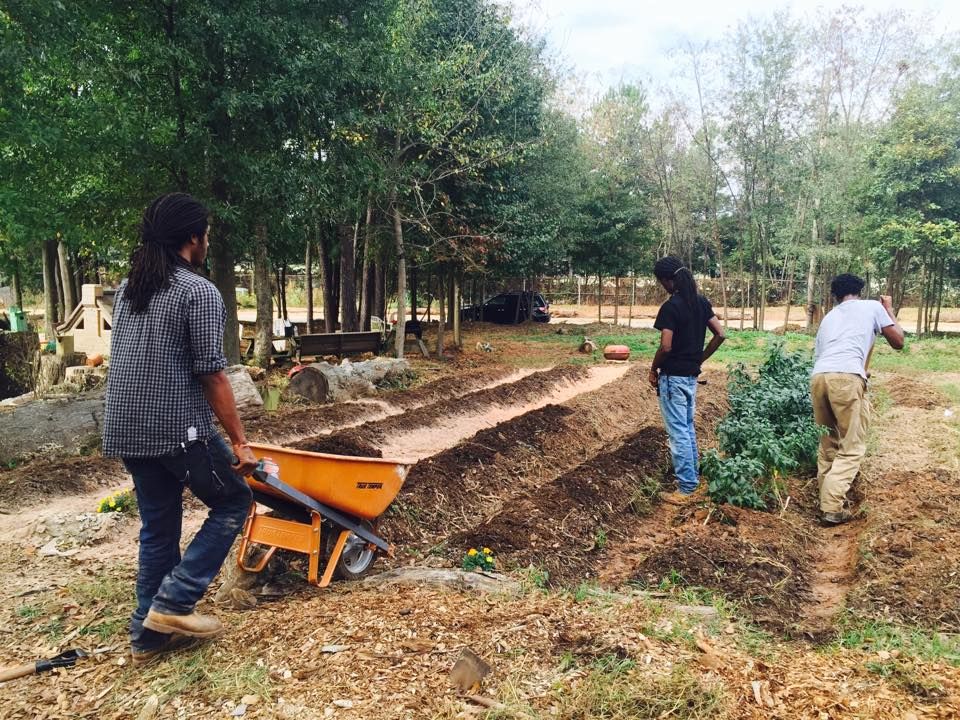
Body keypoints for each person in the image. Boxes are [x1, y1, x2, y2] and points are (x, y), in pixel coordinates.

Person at [103, 193, 258, 666]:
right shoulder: (198, 292)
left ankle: (146, 639)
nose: (208, 240)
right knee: (234, 500)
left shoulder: (131, 287)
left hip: (127, 427)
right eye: (206, 232)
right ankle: (173, 604)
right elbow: (212, 374)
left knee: (158, 527)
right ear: (193, 237)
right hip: (176, 428)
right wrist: (239, 441)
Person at [811, 273, 904, 525]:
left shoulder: (829, 318)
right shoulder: (873, 307)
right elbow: (898, 341)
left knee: (829, 443)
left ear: (836, 295)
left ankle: (826, 500)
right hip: (846, 378)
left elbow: (824, 354)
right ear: (859, 291)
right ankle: (831, 507)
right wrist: (889, 310)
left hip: (819, 377)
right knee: (852, 446)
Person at [649, 256, 726, 501]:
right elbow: (720, 334)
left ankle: (686, 488)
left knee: (678, 432)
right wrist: (699, 359)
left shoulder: (671, 307)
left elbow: (666, 346)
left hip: (672, 378)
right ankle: (693, 478)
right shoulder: (701, 303)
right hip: (691, 377)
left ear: (668, 281)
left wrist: (653, 368)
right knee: (687, 428)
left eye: (662, 282)